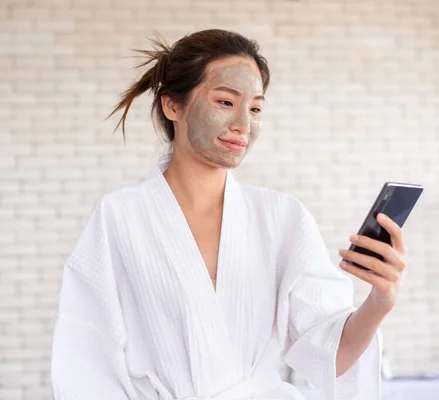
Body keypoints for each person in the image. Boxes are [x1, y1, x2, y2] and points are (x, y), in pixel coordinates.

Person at [51, 29, 407, 400]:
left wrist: (380, 300)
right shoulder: (119, 217)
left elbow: (333, 356)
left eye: (255, 108)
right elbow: (87, 362)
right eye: (225, 102)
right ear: (173, 105)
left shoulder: (282, 218)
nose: (244, 124)